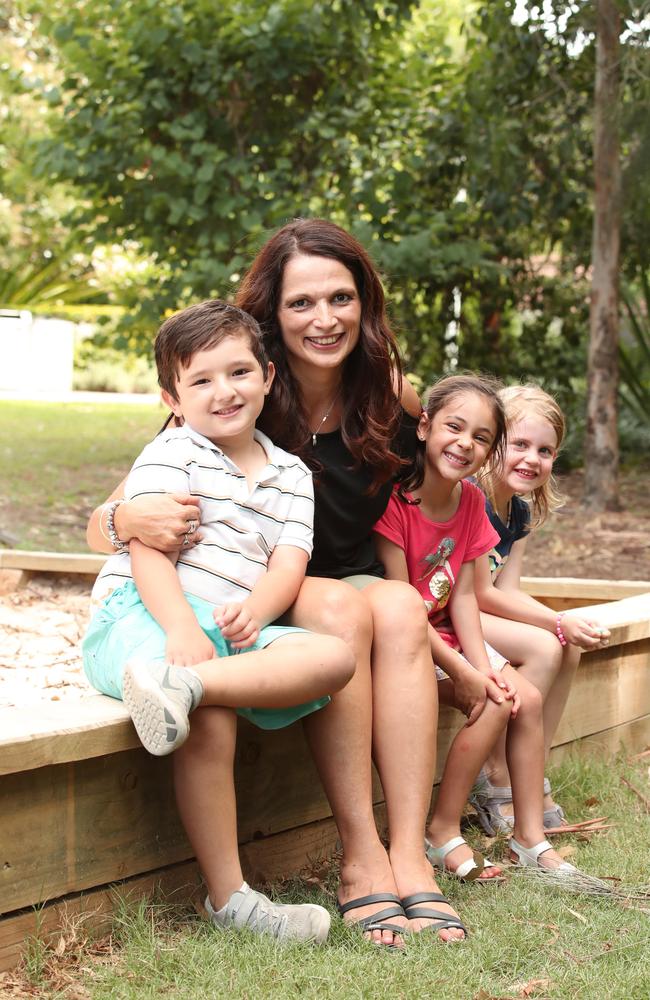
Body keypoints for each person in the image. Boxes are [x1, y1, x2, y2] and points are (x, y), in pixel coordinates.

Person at [86, 219, 467, 946]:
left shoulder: (388, 391)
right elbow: (112, 522)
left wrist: (472, 620)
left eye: (341, 298)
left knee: (395, 605)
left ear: (365, 303)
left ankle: (409, 853)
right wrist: (128, 519)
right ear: (272, 313)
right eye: (301, 303)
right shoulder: (227, 389)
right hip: (256, 589)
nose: (324, 319)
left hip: (323, 580)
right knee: (346, 610)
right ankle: (362, 857)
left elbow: (449, 491)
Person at [82, 299, 356, 944]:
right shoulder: (172, 451)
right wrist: (180, 630)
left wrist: (258, 610)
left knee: (334, 657)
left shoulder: (291, 473)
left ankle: (188, 686)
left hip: (229, 624)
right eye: (201, 380)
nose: (223, 392)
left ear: (267, 375)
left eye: (237, 373)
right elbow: (148, 548)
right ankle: (231, 898)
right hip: (145, 614)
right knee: (208, 712)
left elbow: (289, 562)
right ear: (172, 398)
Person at [374, 374, 581, 875]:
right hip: (407, 640)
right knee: (496, 697)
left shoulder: (468, 502)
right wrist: (467, 671)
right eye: (454, 427)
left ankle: (528, 837)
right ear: (423, 427)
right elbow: (405, 606)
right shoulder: (395, 504)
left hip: (448, 631)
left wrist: (482, 664)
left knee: (519, 696)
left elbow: (465, 595)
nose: (466, 444)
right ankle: (442, 830)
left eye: (481, 437)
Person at [471, 383, 610, 832]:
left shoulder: (519, 513)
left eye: (545, 450)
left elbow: (508, 589)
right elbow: (480, 594)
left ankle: (531, 769)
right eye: (521, 444)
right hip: (454, 611)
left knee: (565, 644)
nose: (533, 458)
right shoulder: (471, 499)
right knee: (546, 646)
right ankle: (495, 772)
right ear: (493, 443)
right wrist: (555, 619)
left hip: (483, 609)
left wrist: (565, 623)